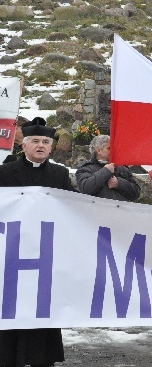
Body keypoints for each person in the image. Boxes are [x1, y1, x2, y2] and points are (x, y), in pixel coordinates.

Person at [0, 117, 76, 367]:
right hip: (12, 254)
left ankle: (42, 360)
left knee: (41, 309)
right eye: (35, 141)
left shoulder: (60, 174)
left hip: (46, 255)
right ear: (24, 145)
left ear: (52, 147)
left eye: (46, 142)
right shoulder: (4, 173)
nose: (41, 145)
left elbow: (73, 207)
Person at [75, 134, 141, 202]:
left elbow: (136, 193)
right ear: (99, 151)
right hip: (98, 211)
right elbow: (86, 189)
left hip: (121, 211)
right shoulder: (85, 168)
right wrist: (106, 171)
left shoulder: (122, 168)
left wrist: (119, 183)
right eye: (109, 148)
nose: (113, 151)